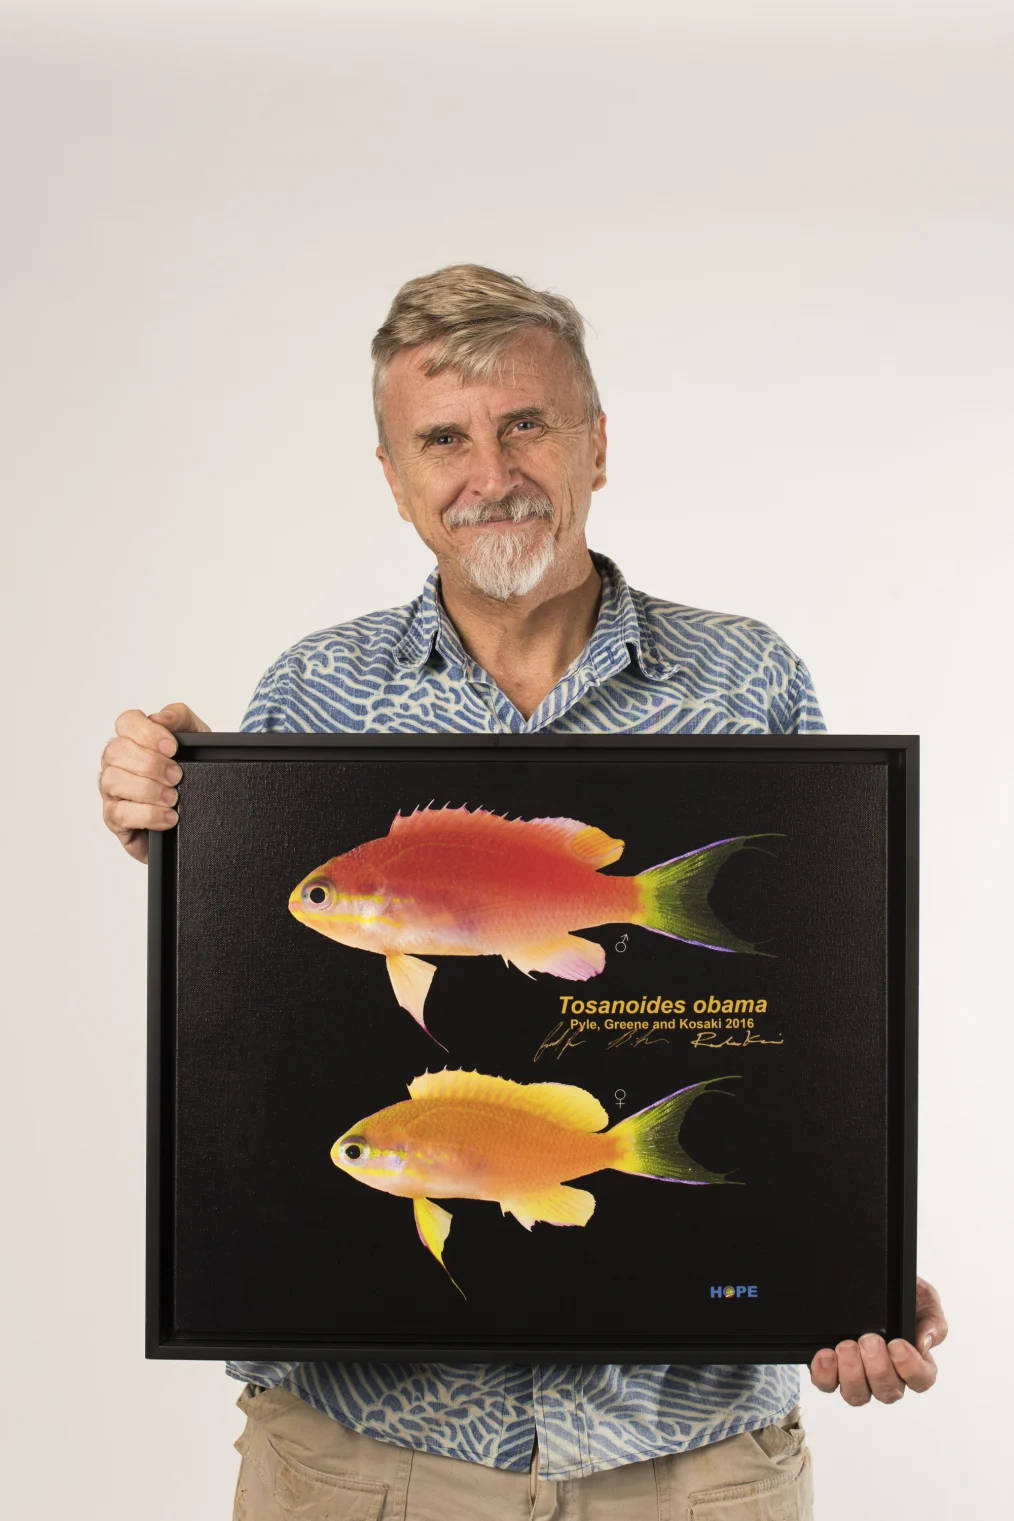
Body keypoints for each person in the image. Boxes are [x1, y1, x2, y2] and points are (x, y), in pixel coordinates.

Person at [99, 264, 947, 1520]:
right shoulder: (313, 697)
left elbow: (810, 1019)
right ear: (393, 479)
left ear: (597, 444)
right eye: (442, 438)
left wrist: (847, 1255)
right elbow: (271, 1029)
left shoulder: (747, 681)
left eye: (526, 425)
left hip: (692, 1456)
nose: (488, 470)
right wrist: (178, 826)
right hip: (359, 1456)